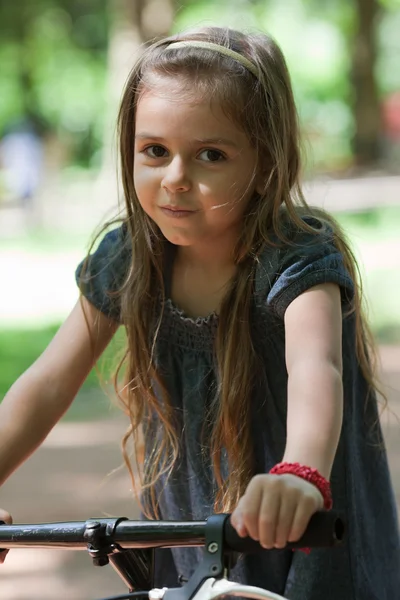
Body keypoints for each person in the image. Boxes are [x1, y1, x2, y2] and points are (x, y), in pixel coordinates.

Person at [0, 26, 399, 599]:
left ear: (265, 162)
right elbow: (47, 381)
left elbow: (317, 369)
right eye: (155, 151)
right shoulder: (131, 256)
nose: (176, 178)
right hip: (196, 543)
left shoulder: (298, 255)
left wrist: (301, 474)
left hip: (301, 528)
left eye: (210, 155)